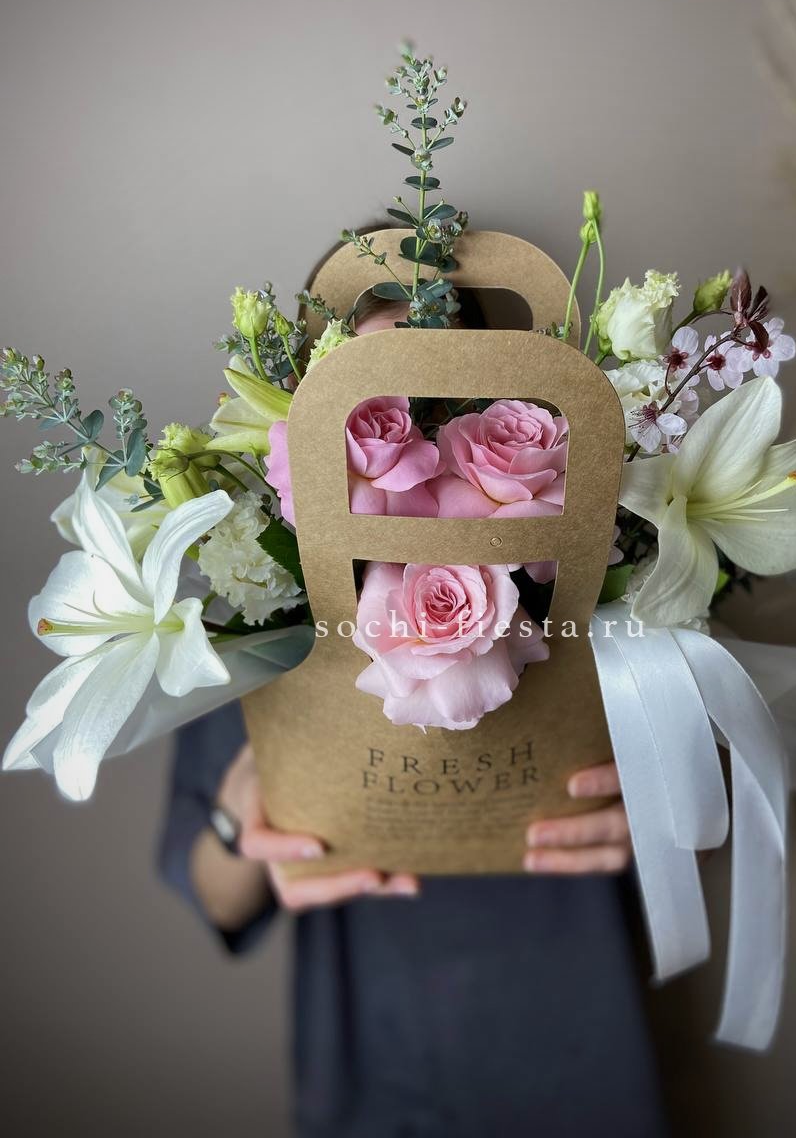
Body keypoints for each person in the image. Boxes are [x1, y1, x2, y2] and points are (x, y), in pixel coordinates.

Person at [158, 279, 669, 1138]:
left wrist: (665, 806)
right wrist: (239, 824)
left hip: (578, 1037)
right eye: (374, 396)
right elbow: (216, 898)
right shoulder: (254, 636)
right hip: (370, 1057)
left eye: (434, 402)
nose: (407, 426)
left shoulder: (600, 609)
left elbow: (710, 822)